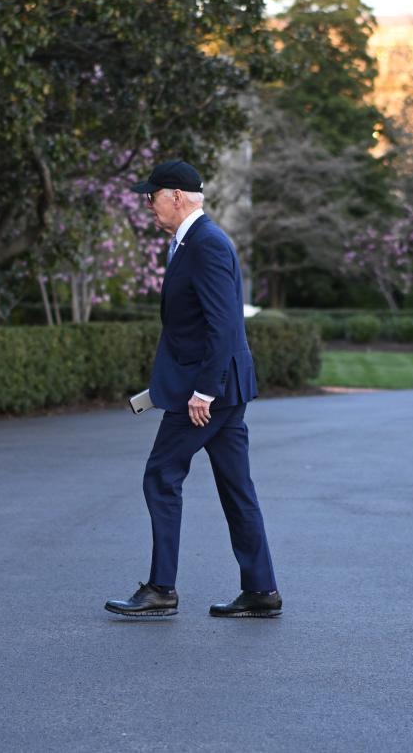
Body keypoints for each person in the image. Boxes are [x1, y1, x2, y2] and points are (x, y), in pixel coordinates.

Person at [105, 160, 280, 618]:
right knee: (237, 489)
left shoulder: (205, 245)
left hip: (207, 394)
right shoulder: (191, 243)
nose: (148, 204)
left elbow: (224, 324)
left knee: (160, 477)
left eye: (153, 195)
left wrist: (203, 391)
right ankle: (261, 591)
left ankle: (162, 587)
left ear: (177, 196)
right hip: (218, 388)